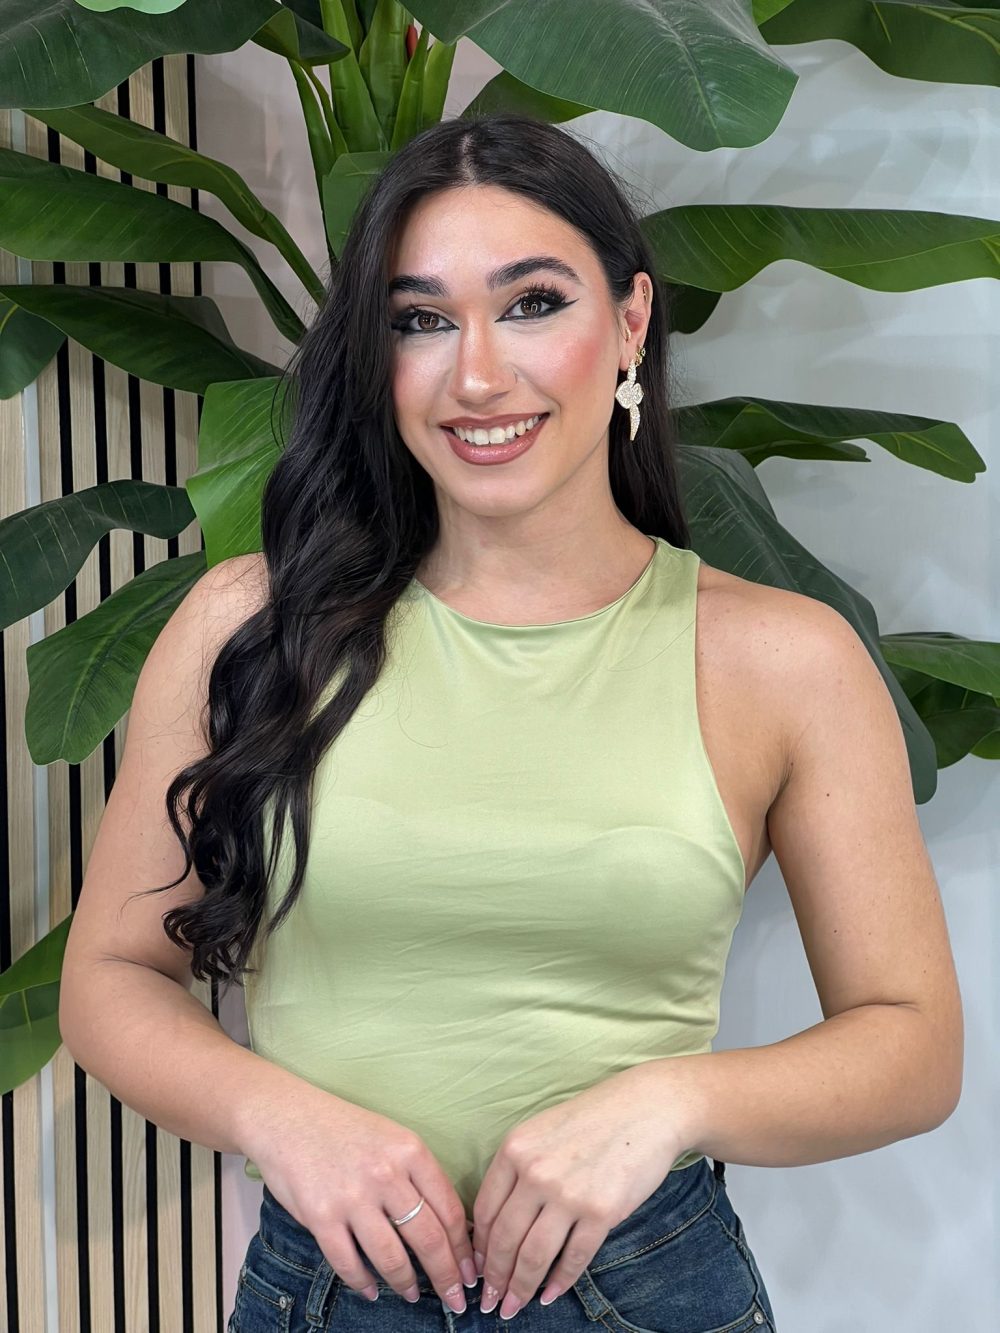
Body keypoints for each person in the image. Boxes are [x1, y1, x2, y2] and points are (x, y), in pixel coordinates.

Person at [58, 112, 963, 1332]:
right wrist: (279, 1116)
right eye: (420, 320)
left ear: (631, 321)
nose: (477, 375)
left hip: (645, 1287)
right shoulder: (249, 625)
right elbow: (112, 976)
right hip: (329, 1287)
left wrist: (666, 1103)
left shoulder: (784, 659)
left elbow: (911, 1045)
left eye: (533, 303)